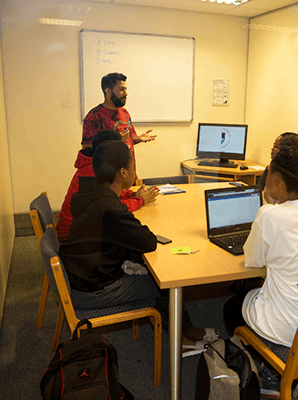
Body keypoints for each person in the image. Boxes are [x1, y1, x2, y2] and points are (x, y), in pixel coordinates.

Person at [59, 140, 217, 356]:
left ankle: (183, 330)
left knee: (147, 266)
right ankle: (184, 339)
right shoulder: (110, 209)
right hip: (94, 290)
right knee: (167, 285)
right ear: (123, 172)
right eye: (133, 165)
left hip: (83, 274)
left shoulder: (90, 192)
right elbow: (148, 242)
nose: (135, 170)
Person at [223, 136, 298, 397]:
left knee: (232, 307)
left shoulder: (269, 214)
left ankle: (273, 370)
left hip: (292, 330)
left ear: (276, 180)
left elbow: (253, 262)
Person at [56, 129, 159, 241]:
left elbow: (113, 197)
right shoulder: (93, 172)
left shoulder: (96, 165)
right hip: (75, 237)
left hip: (82, 232)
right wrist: (140, 200)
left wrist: (133, 194)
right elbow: (112, 207)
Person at [82, 72, 156, 176]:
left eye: (126, 89)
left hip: (128, 174)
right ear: (108, 91)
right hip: (109, 178)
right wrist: (115, 142)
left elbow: (126, 139)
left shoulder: (124, 113)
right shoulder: (95, 116)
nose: (126, 93)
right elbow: (87, 147)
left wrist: (138, 138)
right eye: (121, 89)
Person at [257, 132, 298, 204]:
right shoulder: (270, 168)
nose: (272, 149)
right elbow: (259, 191)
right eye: (273, 146)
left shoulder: (291, 175)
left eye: (276, 147)